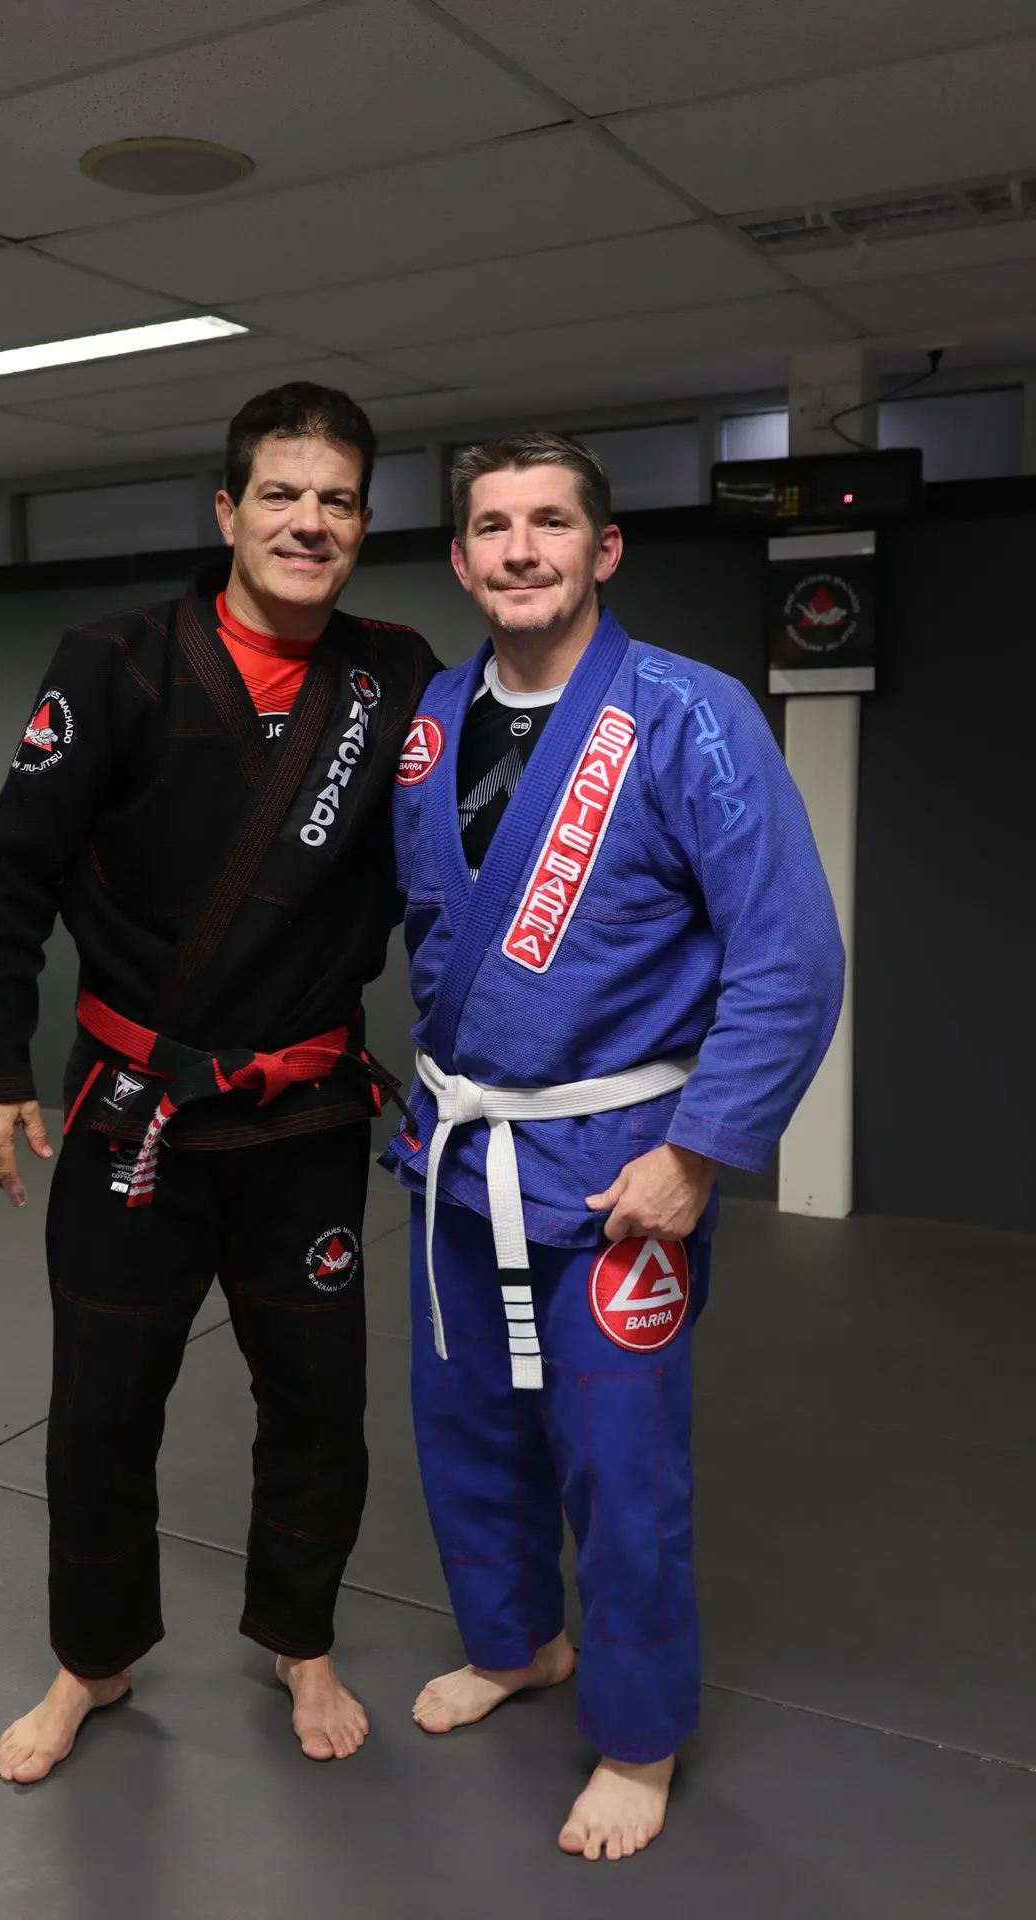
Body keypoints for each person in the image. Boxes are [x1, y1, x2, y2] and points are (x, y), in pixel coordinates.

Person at [0, 382, 438, 1783]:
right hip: (133, 1111)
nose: (309, 521)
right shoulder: (115, 659)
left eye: (338, 499)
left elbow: (448, 868)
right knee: (104, 1401)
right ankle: (92, 1663)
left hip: (306, 1113)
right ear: (228, 512)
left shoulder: (391, 675)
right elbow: (11, 882)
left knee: (315, 1396)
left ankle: (303, 1638)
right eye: (281, 494)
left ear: (362, 522)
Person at [382, 431, 845, 1861]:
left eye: (551, 523)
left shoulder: (687, 715)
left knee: (620, 1469)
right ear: (461, 558)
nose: (521, 549)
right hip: (459, 1158)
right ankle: (517, 1642)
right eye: (493, 527)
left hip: (620, 1176)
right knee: (467, 1435)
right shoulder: (428, 724)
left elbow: (791, 952)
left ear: (603, 549)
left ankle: (637, 1740)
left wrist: (700, 1155)